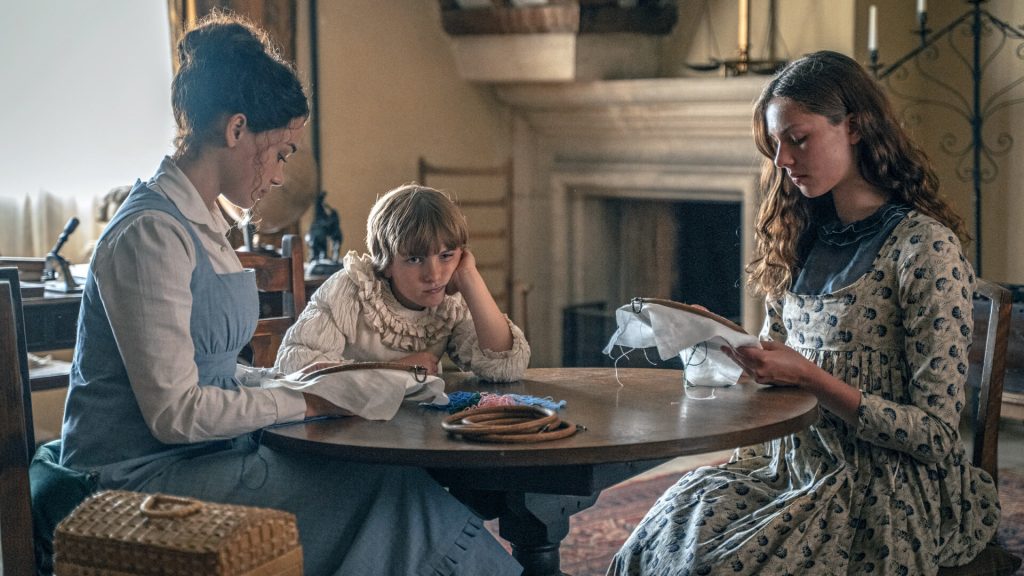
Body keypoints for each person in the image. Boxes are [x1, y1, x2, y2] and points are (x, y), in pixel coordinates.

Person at [58, 13, 521, 576]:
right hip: (141, 479)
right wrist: (313, 400)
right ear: (236, 131)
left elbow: (217, 370)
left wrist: (308, 380)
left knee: (391, 482)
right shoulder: (149, 236)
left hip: (205, 455)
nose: (279, 176)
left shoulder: (201, 225)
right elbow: (176, 413)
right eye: (280, 153)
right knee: (387, 492)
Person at [608, 51, 1000, 575]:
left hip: (883, 485)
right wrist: (724, 341)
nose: (783, 160)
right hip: (787, 463)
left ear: (855, 127)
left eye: (798, 138)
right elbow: (775, 378)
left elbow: (934, 437)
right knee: (662, 540)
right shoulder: (800, 240)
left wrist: (813, 380)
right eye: (776, 144)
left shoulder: (925, 249)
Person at [275, 183, 531, 382]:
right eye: (415, 259)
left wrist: (469, 277)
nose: (434, 274)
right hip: (348, 428)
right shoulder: (351, 290)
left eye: (446, 256)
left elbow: (505, 367)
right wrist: (396, 369)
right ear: (386, 263)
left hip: (415, 427)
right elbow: (296, 368)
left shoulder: (449, 301)